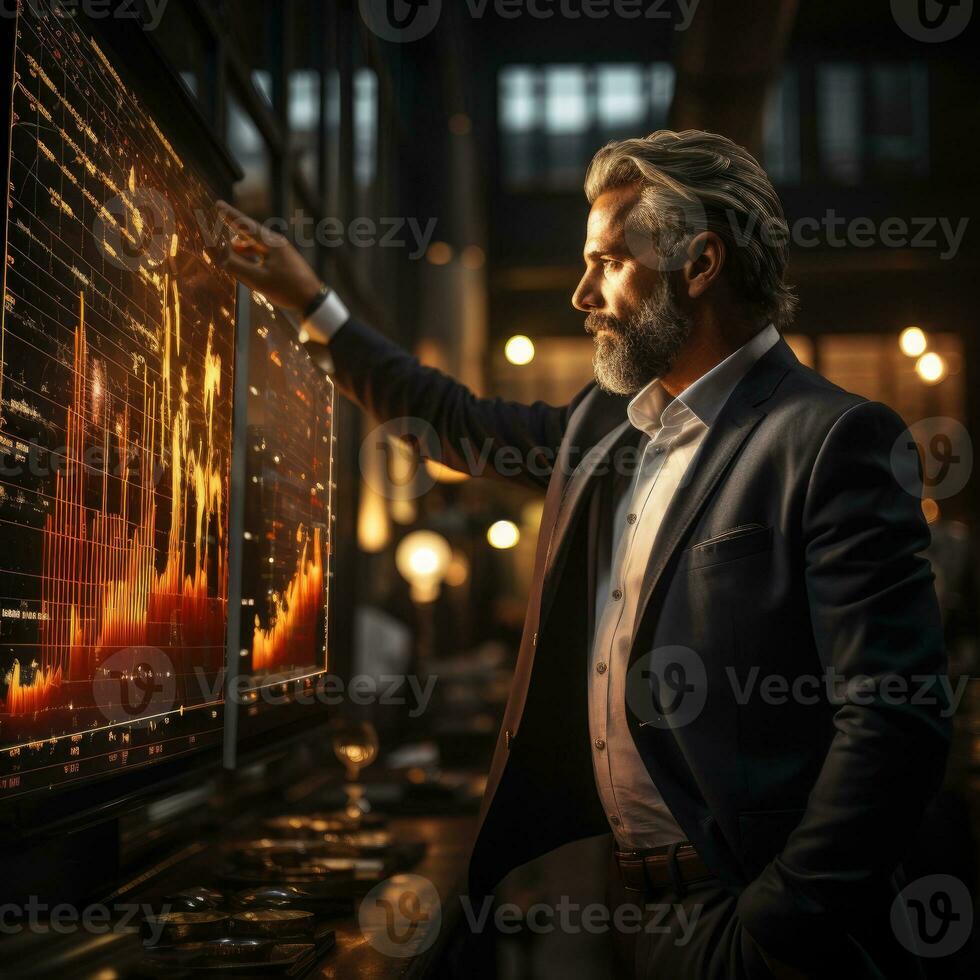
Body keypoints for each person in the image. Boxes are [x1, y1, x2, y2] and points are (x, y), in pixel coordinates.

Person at [216, 129, 950, 979]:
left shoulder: (833, 439)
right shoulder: (607, 431)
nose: (581, 294)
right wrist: (315, 304)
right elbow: (453, 421)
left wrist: (777, 926)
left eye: (607, 262)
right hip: (633, 910)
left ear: (700, 264)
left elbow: (895, 722)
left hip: (754, 926)